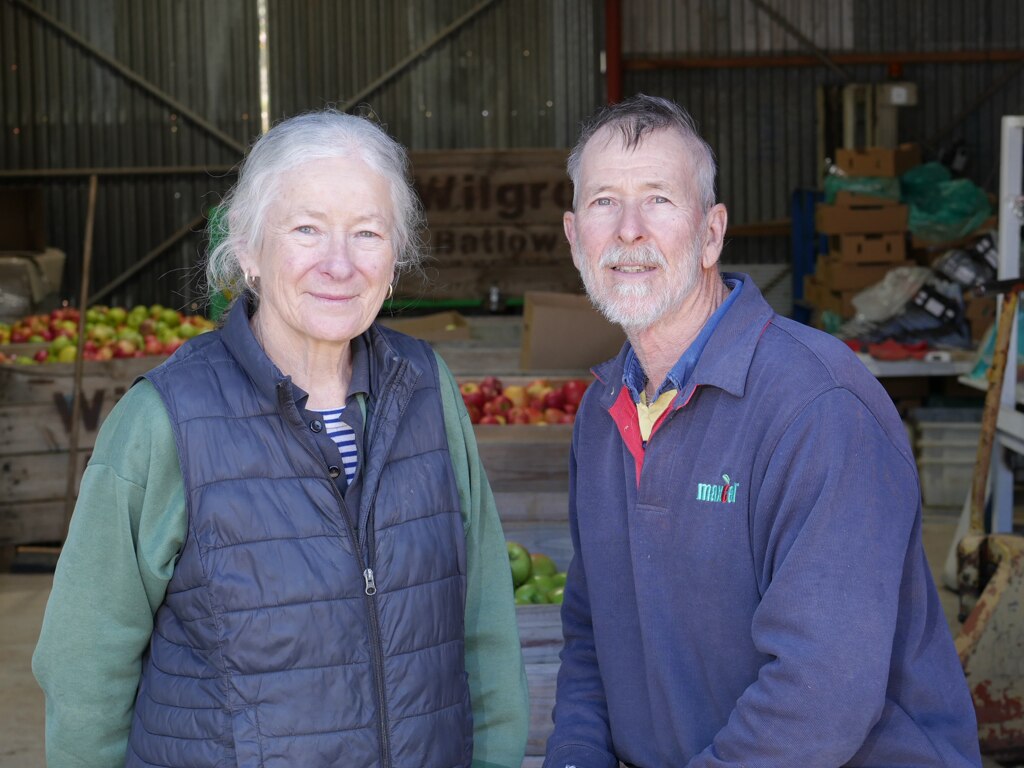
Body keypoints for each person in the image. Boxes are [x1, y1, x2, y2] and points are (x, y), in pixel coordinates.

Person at [33, 109, 529, 768]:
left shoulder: (426, 390)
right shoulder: (164, 419)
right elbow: (85, 670)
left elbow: (485, 625)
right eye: (306, 229)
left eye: (367, 233)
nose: (339, 264)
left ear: (397, 252)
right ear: (246, 246)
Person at [543, 94, 981, 768]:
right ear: (575, 239)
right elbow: (590, 632)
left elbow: (820, 697)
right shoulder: (604, 416)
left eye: (658, 199)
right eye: (604, 202)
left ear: (712, 233)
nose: (629, 229)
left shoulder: (818, 406)